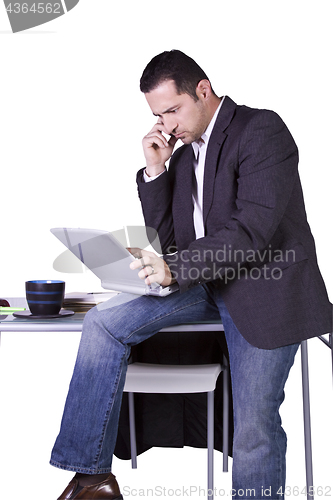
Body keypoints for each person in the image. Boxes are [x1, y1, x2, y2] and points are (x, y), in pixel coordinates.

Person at [53, 50, 331, 500]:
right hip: (203, 284)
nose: (166, 124)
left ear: (202, 90)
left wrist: (175, 267)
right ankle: (92, 478)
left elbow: (251, 231)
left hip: (264, 288)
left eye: (172, 109)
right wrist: (157, 170)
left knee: (254, 422)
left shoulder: (261, 131)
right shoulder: (182, 157)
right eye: (157, 114)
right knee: (102, 322)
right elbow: (168, 239)